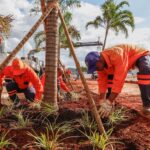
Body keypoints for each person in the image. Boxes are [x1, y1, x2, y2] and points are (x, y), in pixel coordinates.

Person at [85, 44, 150, 117]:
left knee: (146, 72)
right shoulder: (100, 66)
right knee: (110, 80)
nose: (96, 70)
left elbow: (119, 80)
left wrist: (108, 102)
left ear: (99, 60)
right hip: (125, 61)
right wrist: (101, 100)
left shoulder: (117, 54)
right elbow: (102, 82)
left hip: (140, 55)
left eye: (96, 67)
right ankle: (111, 104)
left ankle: (147, 106)